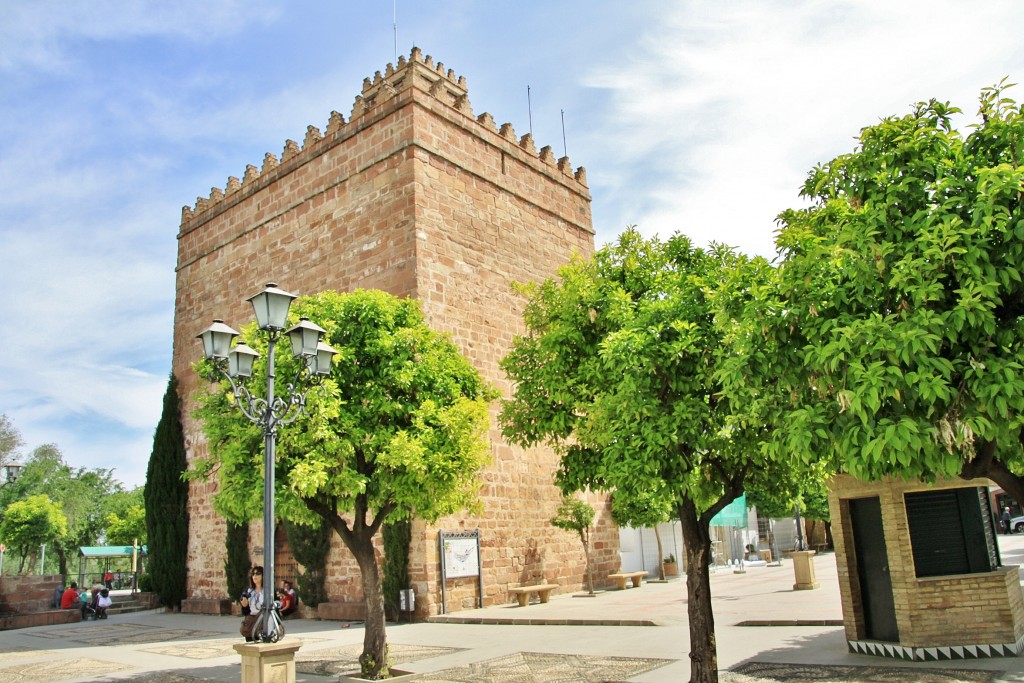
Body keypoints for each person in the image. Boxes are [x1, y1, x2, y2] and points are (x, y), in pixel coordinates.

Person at [239, 566, 264, 642]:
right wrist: (245, 606)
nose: (255, 576)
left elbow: (274, 608)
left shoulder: (268, 591)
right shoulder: (248, 591)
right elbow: (245, 612)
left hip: (263, 623)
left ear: (263, 576)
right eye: (253, 574)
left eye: (258, 573)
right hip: (251, 623)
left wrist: (278, 624)